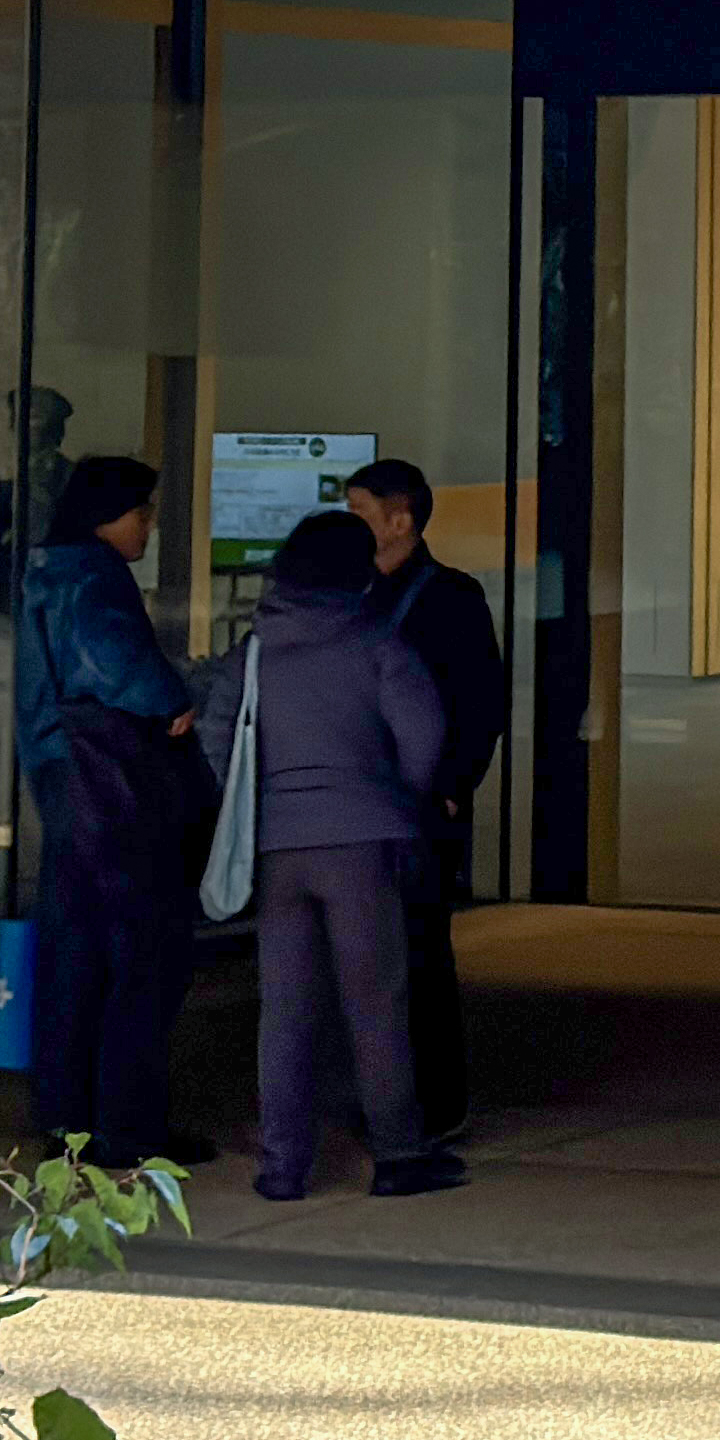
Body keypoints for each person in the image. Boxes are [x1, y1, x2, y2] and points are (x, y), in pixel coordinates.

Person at [207, 503, 461, 1200]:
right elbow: (424, 732)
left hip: (279, 847)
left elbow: (219, 735)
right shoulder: (376, 641)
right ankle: (401, 1154)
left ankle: (283, 1166)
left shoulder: (255, 648)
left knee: (284, 1011)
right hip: (362, 841)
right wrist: (400, 799)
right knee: (376, 1001)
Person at [8, 453, 209, 1176]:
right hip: (110, 777)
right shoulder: (90, 573)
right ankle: (128, 1126)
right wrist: (173, 698)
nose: (149, 525)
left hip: (64, 773)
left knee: (76, 952)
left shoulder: (44, 566)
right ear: (107, 512)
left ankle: (69, 1120)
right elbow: (114, 663)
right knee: (140, 952)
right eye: (142, 510)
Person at [339, 454, 511, 1146]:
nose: (348, 525)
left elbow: (480, 702)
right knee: (361, 958)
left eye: (358, 511)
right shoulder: (344, 596)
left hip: (417, 807)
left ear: (400, 519)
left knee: (418, 957)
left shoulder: (451, 598)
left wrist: (450, 786)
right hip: (355, 804)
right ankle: (376, 1098)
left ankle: (434, 1103)